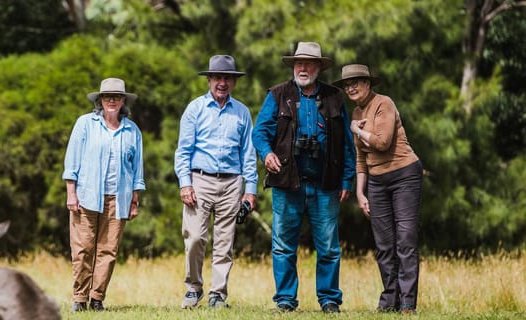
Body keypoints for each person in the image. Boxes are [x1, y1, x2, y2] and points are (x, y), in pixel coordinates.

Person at [252, 42, 356, 313]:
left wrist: (347, 180)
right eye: (299, 63)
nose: (303, 68)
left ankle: (330, 299)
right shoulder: (277, 94)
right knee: (283, 246)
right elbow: (259, 133)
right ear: (293, 66)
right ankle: (286, 300)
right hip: (288, 184)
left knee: (329, 247)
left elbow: (347, 144)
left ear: (319, 67)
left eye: (309, 63)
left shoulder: (335, 97)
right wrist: (267, 154)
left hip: (326, 184)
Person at [333, 64, 423, 314]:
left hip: (404, 175)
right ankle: (389, 301)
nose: (350, 87)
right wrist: (361, 193)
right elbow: (362, 159)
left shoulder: (384, 104)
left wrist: (358, 130)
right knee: (384, 245)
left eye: (356, 82)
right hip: (377, 182)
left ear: (368, 84)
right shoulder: (356, 114)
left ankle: (407, 303)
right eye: (347, 84)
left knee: (405, 240)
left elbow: (382, 143)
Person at [175, 55, 258, 309]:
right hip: (200, 179)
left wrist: (250, 190)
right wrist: (185, 183)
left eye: (227, 78)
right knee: (196, 237)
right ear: (209, 79)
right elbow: (183, 151)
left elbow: (248, 154)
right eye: (218, 78)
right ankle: (193, 287)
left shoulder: (242, 112)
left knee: (225, 240)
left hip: (232, 182)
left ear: (233, 82)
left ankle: (218, 293)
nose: (222, 83)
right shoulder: (195, 109)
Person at [62, 77, 145, 312]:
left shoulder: (132, 130)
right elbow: (72, 161)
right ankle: (79, 298)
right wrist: (71, 193)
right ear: (99, 100)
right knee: (83, 248)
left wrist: (134, 200)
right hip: (87, 196)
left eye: (116, 97)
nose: (112, 100)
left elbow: (137, 169)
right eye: (107, 96)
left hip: (118, 198)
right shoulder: (85, 124)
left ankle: (97, 297)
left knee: (108, 250)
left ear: (123, 101)